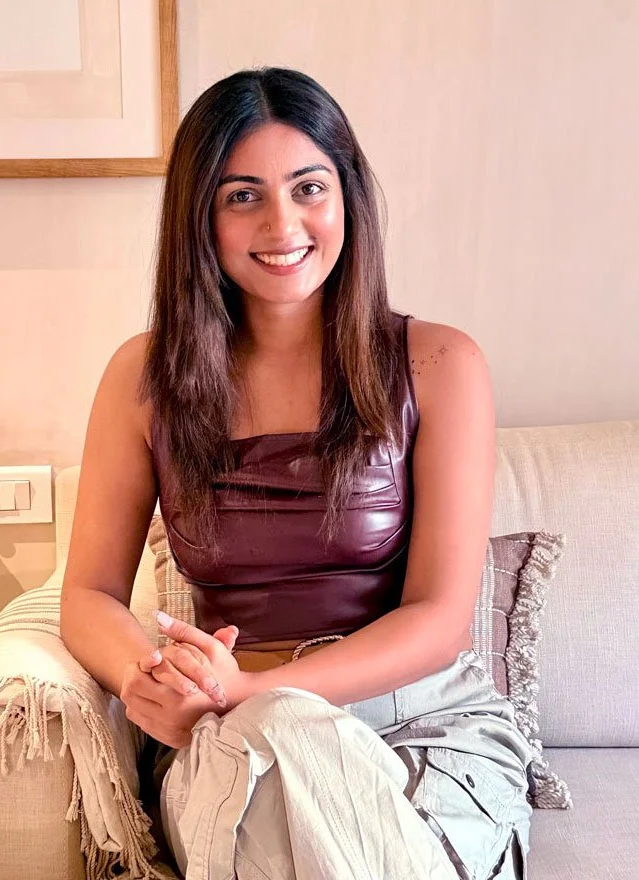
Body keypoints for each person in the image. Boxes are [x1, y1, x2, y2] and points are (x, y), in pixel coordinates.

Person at [60, 67, 533, 879]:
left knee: (289, 747)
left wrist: (253, 692)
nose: (282, 223)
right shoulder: (143, 377)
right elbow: (89, 595)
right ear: (199, 217)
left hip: (418, 726)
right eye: (241, 195)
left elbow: (441, 615)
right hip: (227, 737)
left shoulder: (439, 363)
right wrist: (156, 683)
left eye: (307, 187)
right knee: (277, 748)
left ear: (346, 194)